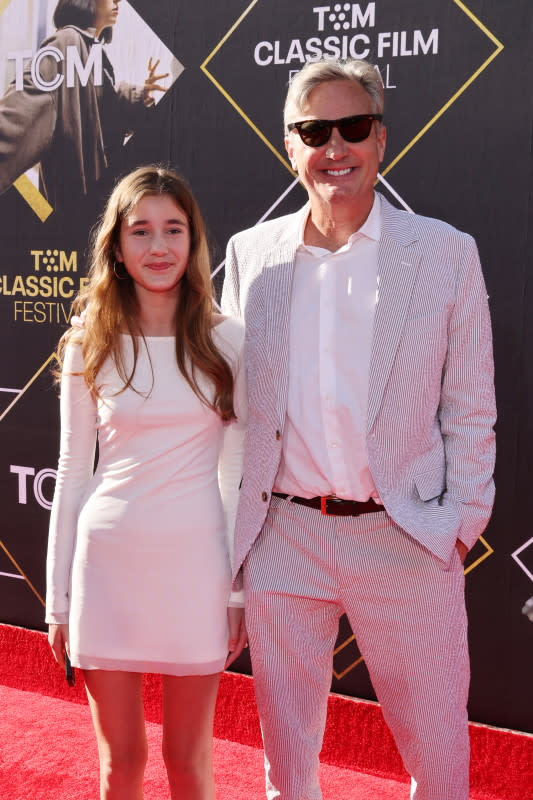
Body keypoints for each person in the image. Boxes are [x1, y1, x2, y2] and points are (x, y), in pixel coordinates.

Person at [221, 58, 496, 800]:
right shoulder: (251, 256)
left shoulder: (443, 253)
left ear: (380, 141)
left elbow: (469, 405)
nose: (333, 146)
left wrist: (458, 525)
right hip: (284, 539)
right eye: (314, 130)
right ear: (289, 146)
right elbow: (230, 409)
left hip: (404, 539)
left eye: (352, 127)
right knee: (287, 766)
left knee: (439, 761)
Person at [46, 164, 247, 800]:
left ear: (194, 241)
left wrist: (235, 591)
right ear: (117, 244)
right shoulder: (89, 340)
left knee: (189, 764)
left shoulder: (227, 341)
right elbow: (74, 472)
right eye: (141, 231)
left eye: (173, 229)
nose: (158, 247)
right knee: (120, 765)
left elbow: (235, 475)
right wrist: (59, 602)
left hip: (195, 567)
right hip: (108, 565)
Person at [0, 0, 168, 210]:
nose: (118, 1)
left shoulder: (91, 50)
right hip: (75, 211)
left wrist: (140, 96)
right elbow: (19, 113)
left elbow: (104, 106)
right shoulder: (66, 42)